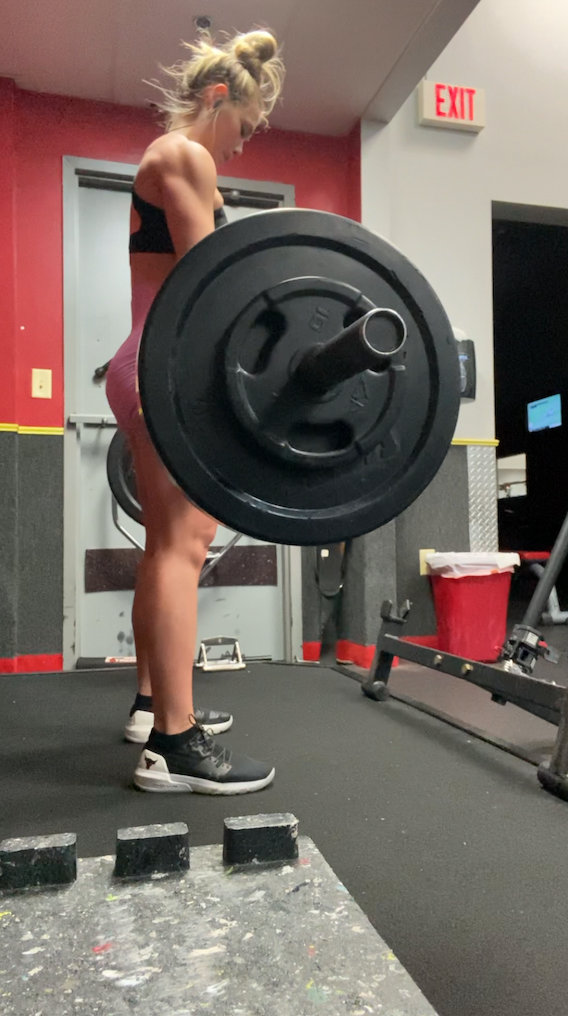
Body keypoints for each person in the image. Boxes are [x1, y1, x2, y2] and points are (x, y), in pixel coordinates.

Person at [105, 29, 285, 794]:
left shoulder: (175, 159)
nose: (242, 146)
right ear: (219, 99)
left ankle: (155, 708)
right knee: (184, 542)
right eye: (244, 126)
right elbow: (210, 285)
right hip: (158, 369)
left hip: (144, 363)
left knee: (166, 544)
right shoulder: (184, 156)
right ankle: (174, 748)